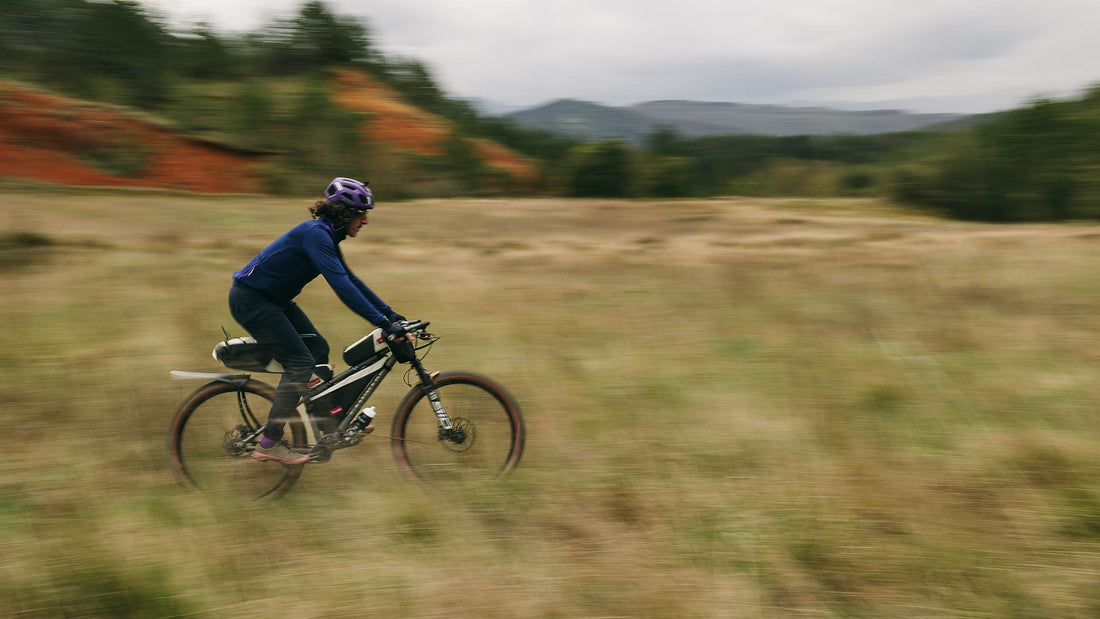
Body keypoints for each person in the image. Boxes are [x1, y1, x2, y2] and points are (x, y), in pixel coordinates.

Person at [229, 177, 410, 464]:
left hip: (272, 301)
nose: (365, 221)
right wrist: (383, 323)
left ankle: (327, 429)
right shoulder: (315, 234)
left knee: (318, 351)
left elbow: (351, 279)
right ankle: (269, 442)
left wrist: (389, 313)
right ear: (345, 213)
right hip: (252, 301)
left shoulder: (325, 235)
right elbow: (342, 287)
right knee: (300, 363)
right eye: (362, 214)